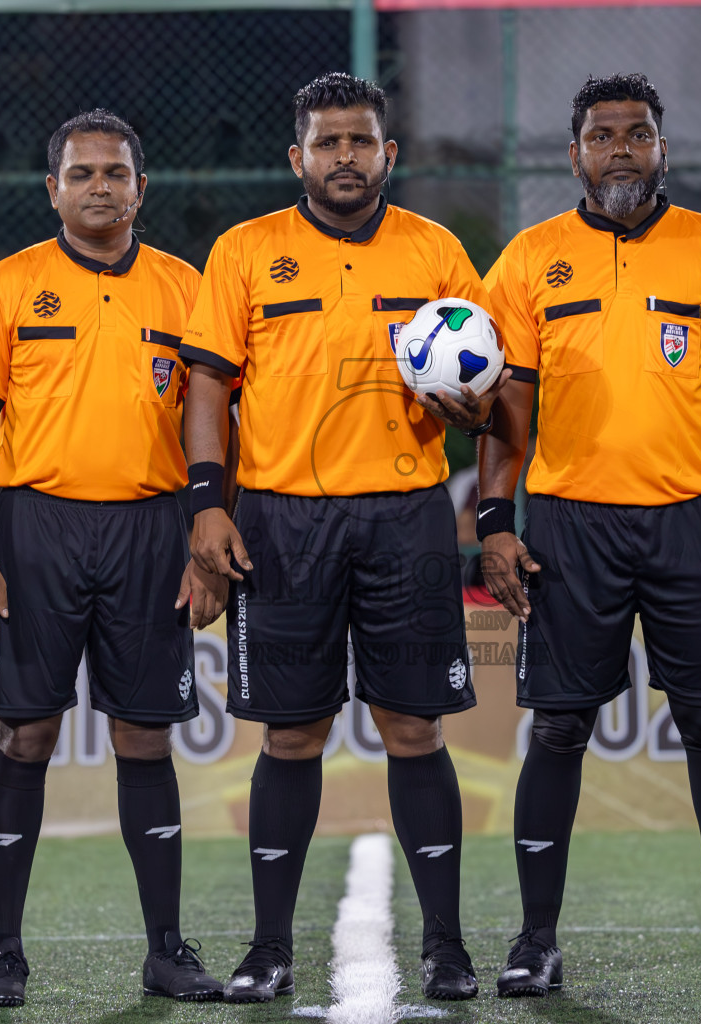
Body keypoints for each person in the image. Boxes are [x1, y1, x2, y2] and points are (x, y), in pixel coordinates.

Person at [182, 72, 497, 1004]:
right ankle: (269, 947)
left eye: (361, 141)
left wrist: (475, 405)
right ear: (298, 158)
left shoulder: (437, 252)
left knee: (413, 726)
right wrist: (208, 502)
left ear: (388, 153)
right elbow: (207, 389)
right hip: (282, 519)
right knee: (291, 734)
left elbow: (491, 388)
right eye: (328, 143)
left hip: (407, 515)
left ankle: (445, 944)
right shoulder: (245, 253)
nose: (346, 157)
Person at [480, 73, 701, 1000]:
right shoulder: (531, 258)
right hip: (570, 525)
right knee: (561, 727)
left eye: (639, 133)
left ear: (664, 148)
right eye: (603, 134)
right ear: (574, 152)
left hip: (695, 521)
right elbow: (505, 405)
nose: (622, 148)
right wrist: (497, 522)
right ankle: (536, 939)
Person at [0, 109, 224, 1007]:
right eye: (81, 175)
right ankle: (4, 951)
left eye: (115, 173)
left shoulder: (188, 290)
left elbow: (218, 421)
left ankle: (165, 949)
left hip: (154, 532)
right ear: (53, 190)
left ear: (141, 189)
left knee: (143, 737)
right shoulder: (6, 287)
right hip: (36, 531)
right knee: (25, 734)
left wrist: (206, 537)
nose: (99, 188)